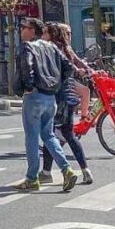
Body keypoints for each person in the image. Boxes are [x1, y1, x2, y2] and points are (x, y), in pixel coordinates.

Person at [14, 17, 78, 192]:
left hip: (34, 96)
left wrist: (29, 87)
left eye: (24, 27)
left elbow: (27, 68)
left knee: (32, 138)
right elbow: (68, 67)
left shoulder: (28, 46)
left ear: (33, 31)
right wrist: (56, 85)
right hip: (50, 97)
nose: (22, 30)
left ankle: (32, 178)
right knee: (48, 135)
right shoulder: (52, 47)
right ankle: (67, 170)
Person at [39, 23, 92, 185]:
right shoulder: (65, 49)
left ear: (52, 35)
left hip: (56, 96)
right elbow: (75, 63)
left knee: (50, 135)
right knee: (66, 134)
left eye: (45, 33)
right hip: (69, 95)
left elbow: (66, 67)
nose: (43, 36)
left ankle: (51, 172)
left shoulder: (52, 49)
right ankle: (85, 170)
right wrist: (85, 69)